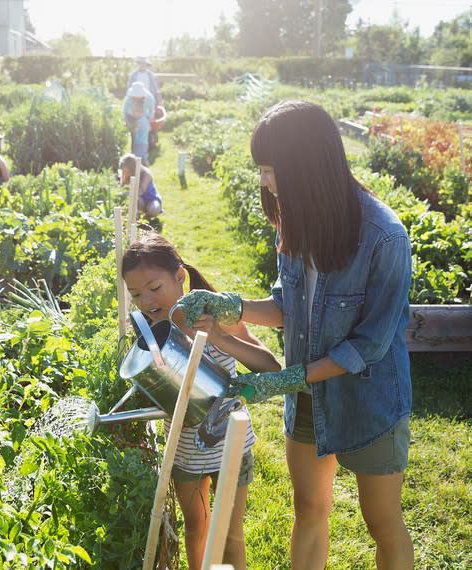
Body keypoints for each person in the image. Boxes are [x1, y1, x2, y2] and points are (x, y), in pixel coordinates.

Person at [175, 100, 414, 569]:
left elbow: (370, 345)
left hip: (370, 399)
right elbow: (288, 307)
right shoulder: (294, 220)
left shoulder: (385, 237)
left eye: (270, 168)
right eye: (261, 169)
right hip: (306, 394)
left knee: (381, 522)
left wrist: (286, 378)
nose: (264, 180)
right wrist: (232, 307)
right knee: (308, 509)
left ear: (307, 167)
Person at [121, 232, 280, 570]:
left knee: (229, 534)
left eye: (154, 288)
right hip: (183, 448)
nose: (146, 301)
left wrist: (219, 338)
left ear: (180, 276)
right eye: (135, 294)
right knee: (197, 528)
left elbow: (269, 366)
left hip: (231, 443)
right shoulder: (148, 337)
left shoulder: (214, 312)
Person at [119, 153, 162, 219]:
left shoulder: (146, 174)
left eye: (127, 171)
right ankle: (135, 217)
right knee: (127, 195)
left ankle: (146, 219)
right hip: (140, 200)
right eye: (124, 171)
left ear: (132, 168)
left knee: (153, 209)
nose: (125, 173)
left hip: (151, 199)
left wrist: (128, 194)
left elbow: (140, 192)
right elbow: (121, 189)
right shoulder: (127, 175)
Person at [123, 81, 155, 165]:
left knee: (137, 158)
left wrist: (136, 125)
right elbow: (125, 113)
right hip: (142, 139)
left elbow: (151, 111)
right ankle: (145, 172)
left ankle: (138, 173)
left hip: (140, 143)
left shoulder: (150, 98)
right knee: (143, 158)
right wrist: (130, 122)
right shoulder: (129, 99)